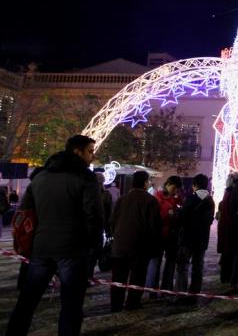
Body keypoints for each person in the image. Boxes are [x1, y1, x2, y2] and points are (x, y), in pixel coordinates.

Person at [7, 135, 103, 336]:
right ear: (77, 152)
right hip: (72, 250)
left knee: (27, 301)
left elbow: (25, 213)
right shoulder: (85, 178)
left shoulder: (40, 177)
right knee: (71, 305)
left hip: (42, 247)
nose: (93, 156)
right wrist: (94, 247)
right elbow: (93, 216)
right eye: (90, 151)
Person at [110, 170, 162, 312]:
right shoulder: (151, 201)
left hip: (120, 244)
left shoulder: (122, 199)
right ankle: (132, 303)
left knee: (118, 276)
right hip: (140, 246)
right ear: (145, 183)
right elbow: (155, 227)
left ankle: (116, 304)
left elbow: (113, 221)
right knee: (137, 277)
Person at [174, 174, 215, 304]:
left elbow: (182, 217)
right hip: (202, 239)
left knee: (183, 266)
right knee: (198, 268)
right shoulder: (210, 200)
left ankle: (181, 295)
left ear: (195, 185)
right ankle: (194, 295)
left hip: (188, 238)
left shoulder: (192, 198)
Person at [146, 175, 183, 296]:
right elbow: (155, 216)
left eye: (177, 189)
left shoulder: (176, 198)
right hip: (159, 234)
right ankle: (152, 289)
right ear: (168, 184)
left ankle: (166, 289)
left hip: (172, 235)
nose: (175, 191)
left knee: (170, 262)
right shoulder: (157, 197)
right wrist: (169, 214)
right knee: (155, 262)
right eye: (174, 188)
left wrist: (178, 213)